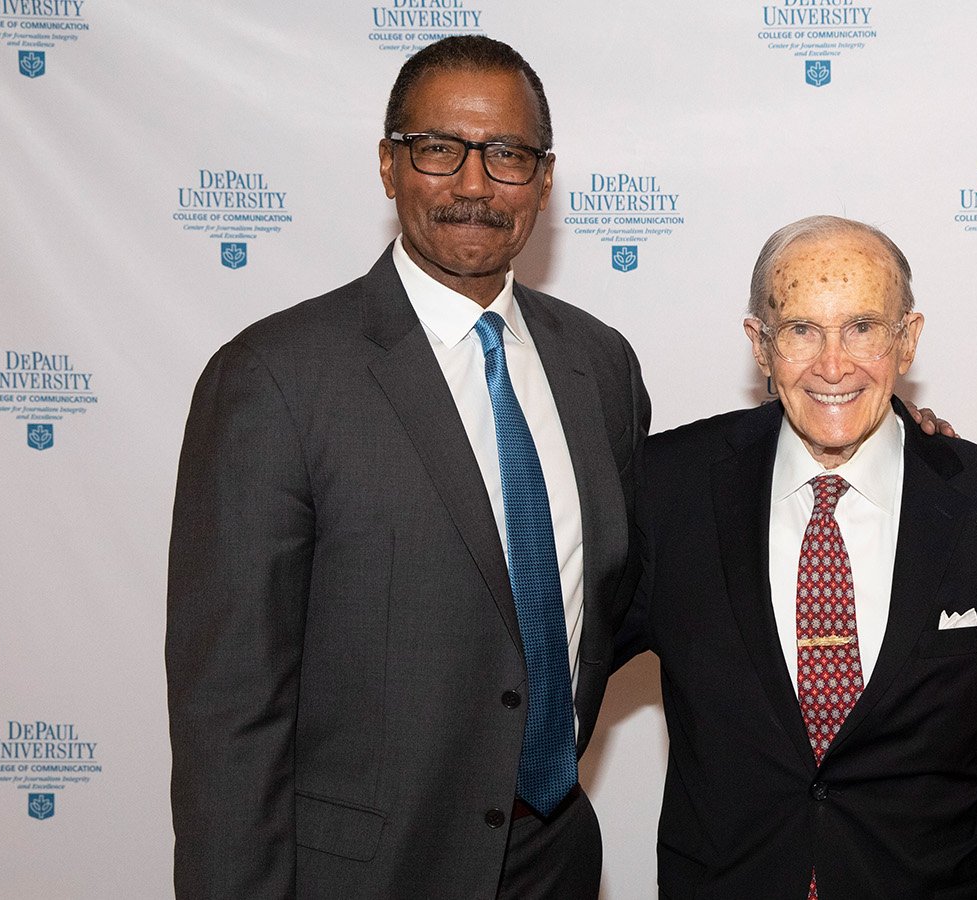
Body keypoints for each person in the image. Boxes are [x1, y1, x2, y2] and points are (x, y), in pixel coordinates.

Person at [166, 36, 649, 898]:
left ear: (543, 180)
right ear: (389, 166)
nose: (474, 184)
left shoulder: (599, 365)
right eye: (438, 149)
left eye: (507, 155)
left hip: (553, 863)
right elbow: (229, 712)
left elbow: (623, 589)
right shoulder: (275, 378)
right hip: (369, 874)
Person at [614, 215, 977, 898]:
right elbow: (550, 668)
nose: (833, 365)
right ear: (759, 345)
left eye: (862, 328)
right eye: (801, 330)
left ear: (907, 340)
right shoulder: (666, 488)